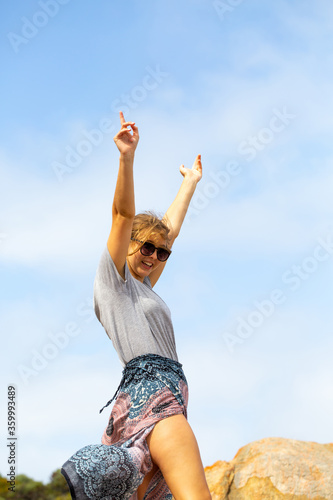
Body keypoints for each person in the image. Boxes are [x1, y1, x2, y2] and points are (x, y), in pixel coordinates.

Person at [61, 112, 212, 500]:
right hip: (155, 396)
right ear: (129, 243)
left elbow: (170, 231)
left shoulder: (144, 285)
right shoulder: (115, 282)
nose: (154, 256)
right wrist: (126, 158)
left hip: (146, 401)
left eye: (161, 253)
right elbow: (123, 216)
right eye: (146, 246)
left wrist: (189, 185)